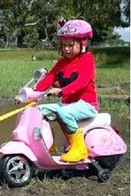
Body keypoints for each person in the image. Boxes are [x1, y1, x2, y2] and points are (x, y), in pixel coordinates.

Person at [33, 19, 98, 163]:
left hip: (86, 104)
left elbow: (82, 82)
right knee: (39, 111)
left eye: (70, 45)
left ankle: (79, 148)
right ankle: (48, 145)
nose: (66, 49)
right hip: (68, 105)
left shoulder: (88, 59)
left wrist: (61, 91)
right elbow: (50, 77)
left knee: (63, 112)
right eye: (64, 45)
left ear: (83, 43)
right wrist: (32, 92)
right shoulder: (62, 62)